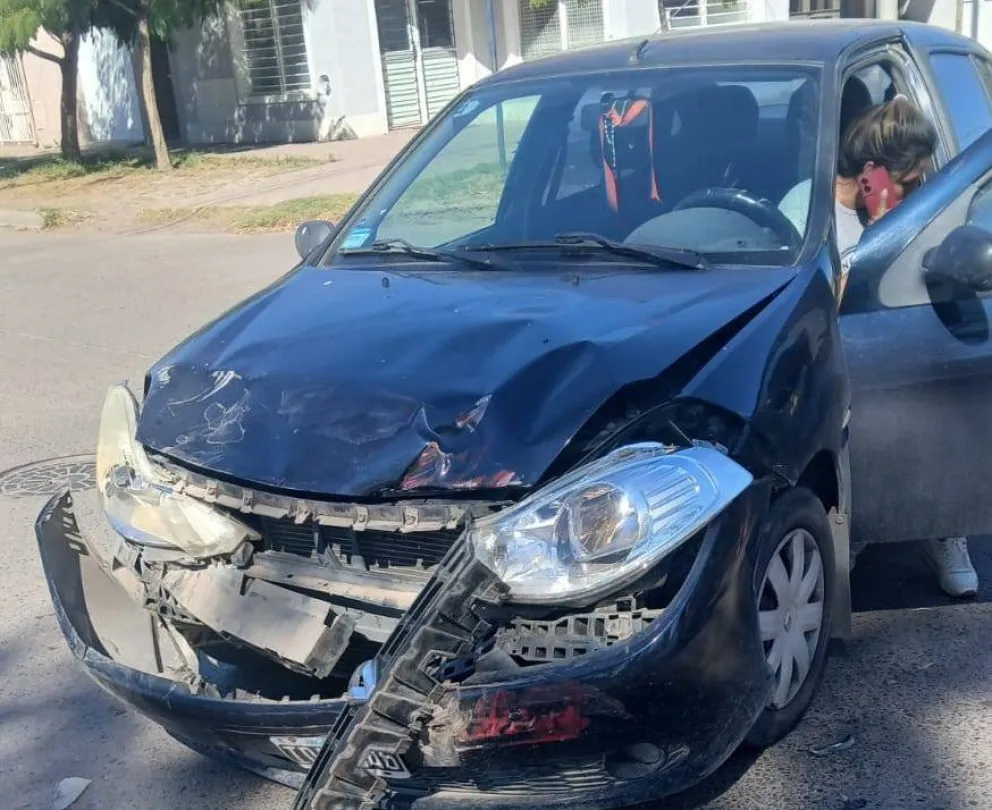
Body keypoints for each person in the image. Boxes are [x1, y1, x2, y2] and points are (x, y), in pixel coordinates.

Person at [787, 94, 978, 598]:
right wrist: (875, 237)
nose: (920, 190)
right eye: (912, 179)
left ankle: (942, 525)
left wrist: (896, 226)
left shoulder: (912, 213)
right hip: (832, 354)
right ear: (871, 173)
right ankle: (858, 524)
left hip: (894, 349)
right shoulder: (807, 211)